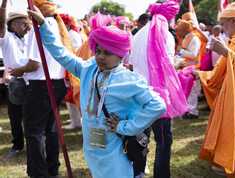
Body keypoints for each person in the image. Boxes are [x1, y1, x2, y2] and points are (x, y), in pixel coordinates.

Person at [28, 7, 166, 178]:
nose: (100, 56)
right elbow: (62, 55)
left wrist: (127, 127)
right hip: (92, 146)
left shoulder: (129, 79)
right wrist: (43, 25)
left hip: (116, 148)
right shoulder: (89, 69)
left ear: (120, 55)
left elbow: (158, 105)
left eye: (107, 53)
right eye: (98, 51)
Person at [129, 1, 188, 178]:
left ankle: (138, 172)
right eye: (174, 17)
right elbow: (167, 67)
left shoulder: (138, 34)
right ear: (169, 17)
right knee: (163, 140)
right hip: (157, 97)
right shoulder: (165, 35)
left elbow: (132, 65)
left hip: (138, 95)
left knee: (140, 138)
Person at [197, 2, 235, 177]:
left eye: (225, 23)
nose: (223, 27)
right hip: (232, 92)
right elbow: (222, 68)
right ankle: (229, 161)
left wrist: (228, 53)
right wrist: (202, 75)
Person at [23, 0, 68, 177]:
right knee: (50, 130)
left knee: (35, 132)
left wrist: (19, 70)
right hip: (56, 83)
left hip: (41, 84)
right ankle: (52, 169)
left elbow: (34, 64)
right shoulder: (56, 25)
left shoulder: (40, 26)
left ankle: (39, 173)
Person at [0, 0, 38, 159]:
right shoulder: (6, 38)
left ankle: (33, 145)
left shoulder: (30, 37)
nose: (25, 26)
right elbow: (0, 21)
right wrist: (4, 4)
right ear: (12, 25)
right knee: (15, 117)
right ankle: (17, 146)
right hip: (16, 82)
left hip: (32, 80)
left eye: (26, 22)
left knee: (32, 116)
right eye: (21, 23)